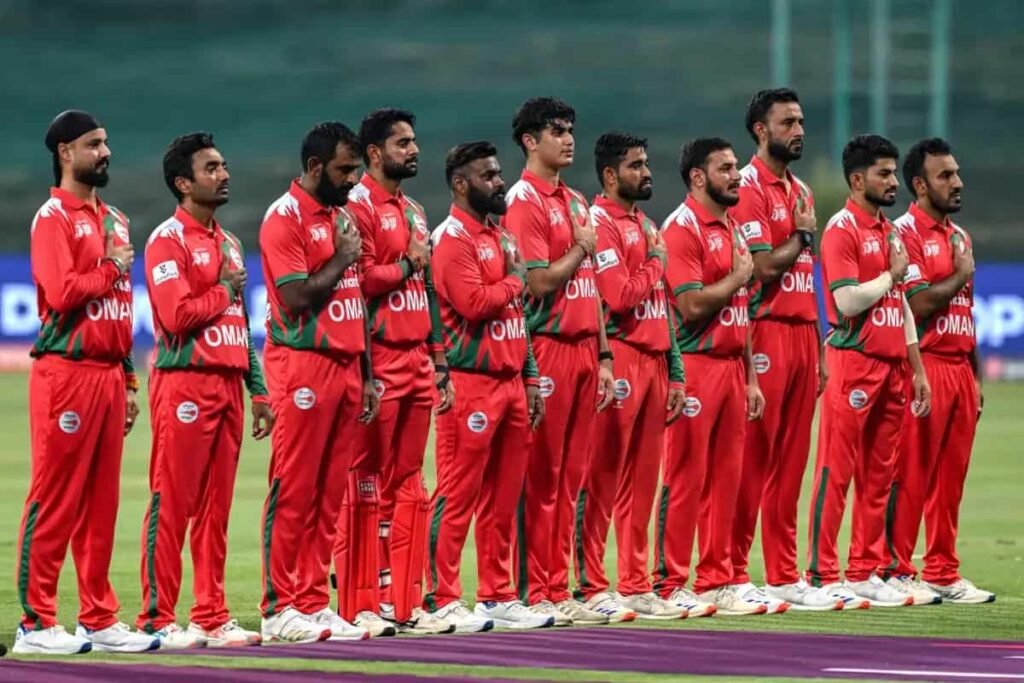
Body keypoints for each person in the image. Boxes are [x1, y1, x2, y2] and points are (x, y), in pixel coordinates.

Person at [14, 110, 155, 655]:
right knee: (55, 497)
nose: (105, 152)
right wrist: (113, 268)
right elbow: (63, 292)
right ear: (65, 152)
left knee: (101, 503)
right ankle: (35, 623)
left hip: (108, 374)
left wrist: (129, 381)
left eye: (106, 142)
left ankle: (97, 618)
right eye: (94, 144)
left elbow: (119, 312)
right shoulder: (52, 217)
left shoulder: (115, 218)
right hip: (66, 373)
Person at [136, 132, 274, 649]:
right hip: (185, 384)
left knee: (217, 510)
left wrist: (258, 390)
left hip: (229, 386)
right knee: (173, 503)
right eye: (211, 168)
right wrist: (222, 288)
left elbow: (238, 325)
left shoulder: (230, 242)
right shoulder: (166, 240)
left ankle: (211, 616)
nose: (224, 174)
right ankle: (156, 618)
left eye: (223, 165)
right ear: (183, 183)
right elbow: (176, 316)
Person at [258, 122, 379, 643]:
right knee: (294, 488)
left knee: (329, 494)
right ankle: (277, 606)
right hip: (302, 364)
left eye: (355, 169)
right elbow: (296, 298)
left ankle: (312, 602)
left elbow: (356, 301)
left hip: (347, 366)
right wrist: (343, 257)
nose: (353, 179)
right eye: (344, 170)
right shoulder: (284, 217)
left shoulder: (341, 216)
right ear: (314, 167)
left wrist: (367, 375)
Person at [334, 108, 453, 637]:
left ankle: (402, 597)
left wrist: (439, 357)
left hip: (417, 359)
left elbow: (426, 291)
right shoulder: (355, 207)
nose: (414, 149)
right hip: (378, 357)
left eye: (414, 140)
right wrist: (408, 262)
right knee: (366, 481)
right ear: (374, 153)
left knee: (408, 482)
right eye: (402, 142)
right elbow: (357, 282)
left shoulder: (415, 210)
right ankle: (361, 595)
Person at [423, 141, 550, 632]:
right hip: (469, 383)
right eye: (489, 176)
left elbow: (516, 315)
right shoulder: (450, 238)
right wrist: (517, 280)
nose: (500, 182)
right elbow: (474, 304)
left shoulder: (502, 235)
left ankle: (497, 596)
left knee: (503, 498)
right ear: (461, 184)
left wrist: (531, 376)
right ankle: (441, 597)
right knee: (458, 494)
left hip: (511, 382)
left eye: (498, 173)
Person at [503, 97, 615, 627]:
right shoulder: (523, 200)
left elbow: (591, 287)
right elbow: (538, 281)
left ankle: (557, 586)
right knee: (542, 477)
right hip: (548, 347)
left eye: (570, 129)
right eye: (556, 130)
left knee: (571, 479)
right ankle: (534, 591)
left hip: (586, 348)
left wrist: (606, 355)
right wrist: (581, 249)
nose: (568, 139)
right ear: (530, 140)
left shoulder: (575, 200)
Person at [807, 134, 931, 608]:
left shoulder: (890, 231)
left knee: (879, 476)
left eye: (894, 172)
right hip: (853, 363)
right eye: (884, 173)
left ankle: (864, 571)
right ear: (857, 180)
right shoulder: (841, 229)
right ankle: (822, 573)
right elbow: (846, 301)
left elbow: (900, 305)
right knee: (836, 471)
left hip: (893, 366)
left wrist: (917, 368)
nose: (893, 181)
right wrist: (890, 275)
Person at [729, 88, 840, 611]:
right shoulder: (746, 186)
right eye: (788, 122)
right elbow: (762, 267)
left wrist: (818, 349)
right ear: (760, 130)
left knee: (792, 464)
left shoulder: (801, 191)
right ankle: (732, 572)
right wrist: (800, 235)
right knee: (754, 460)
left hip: (800, 334)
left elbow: (804, 276)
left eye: (801, 121)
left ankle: (782, 575)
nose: (799, 131)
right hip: (765, 331)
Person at [573, 132, 687, 622]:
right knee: (602, 476)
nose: (646, 173)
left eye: (646, 163)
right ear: (610, 175)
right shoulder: (598, 222)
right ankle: (589, 585)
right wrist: (657, 263)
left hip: (656, 359)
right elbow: (619, 297)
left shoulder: (645, 223)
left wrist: (677, 372)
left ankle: (636, 584)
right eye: (636, 165)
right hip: (620, 358)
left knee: (642, 482)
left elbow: (662, 306)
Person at [654, 137, 767, 617]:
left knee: (727, 479)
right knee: (685, 477)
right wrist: (738, 278)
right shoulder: (681, 228)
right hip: (696, 365)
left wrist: (750, 376)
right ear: (698, 177)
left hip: (732, 368)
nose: (737, 175)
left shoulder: (733, 227)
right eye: (726, 168)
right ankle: (668, 582)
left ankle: (717, 580)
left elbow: (741, 310)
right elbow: (690, 305)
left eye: (736, 166)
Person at [886, 138, 995, 605]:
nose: (957, 182)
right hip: (924, 367)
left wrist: (976, 377)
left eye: (956, 173)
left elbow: (965, 313)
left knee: (952, 479)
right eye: (945, 175)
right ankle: (895, 570)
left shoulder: (960, 237)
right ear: (919, 184)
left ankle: (943, 571)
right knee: (911, 473)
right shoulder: (903, 233)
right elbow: (916, 304)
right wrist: (960, 274)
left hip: (959, 370)